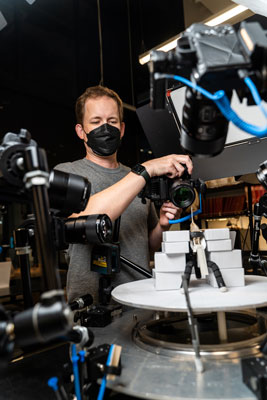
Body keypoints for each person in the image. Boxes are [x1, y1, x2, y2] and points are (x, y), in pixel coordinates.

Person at [54, 85, 193, 303]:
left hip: (140, 300)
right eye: (96, 121)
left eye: (112, 121)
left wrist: (163, 225)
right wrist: (146, 170)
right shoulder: (67, 173)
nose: (105, 128)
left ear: (122, 129)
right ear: (81, 131)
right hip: (91, 307)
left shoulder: (137, 178)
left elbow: (145, 248)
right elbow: (82, 217)